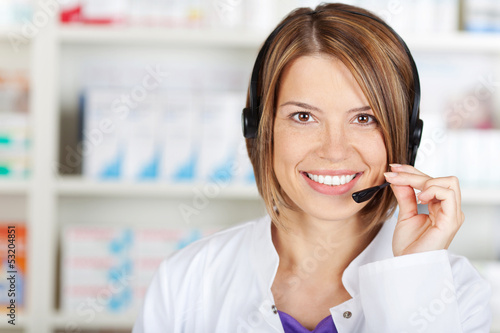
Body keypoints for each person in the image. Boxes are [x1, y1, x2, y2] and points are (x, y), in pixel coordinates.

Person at [132, 3, 491, 332]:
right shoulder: (187, 280)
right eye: (303, 117)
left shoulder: (455, 291)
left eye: (364, 118)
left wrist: (415, 279)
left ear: (406, 138)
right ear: (259, 130)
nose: (334, 151)